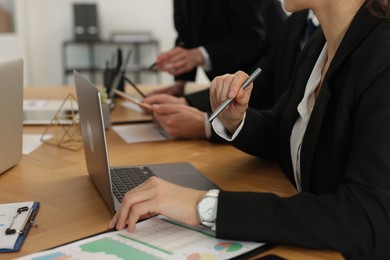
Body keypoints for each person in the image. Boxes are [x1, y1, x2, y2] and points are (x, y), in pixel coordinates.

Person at [110, 0, 390, 258]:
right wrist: (234, 120)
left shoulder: (382, 57)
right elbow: (282, 128)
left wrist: (204, 205)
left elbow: (367, 218)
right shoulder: (320, 44)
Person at [144, 10, 319, 139]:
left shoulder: (318, 35)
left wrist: (207, 126)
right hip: (246, 108)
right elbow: (262, 85)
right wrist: (185, 100)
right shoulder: (296, 22)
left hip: (251, 88)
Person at [148, 0, 286, 97]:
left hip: (263, 74)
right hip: (225, 82)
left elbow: (251, 37)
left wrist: (199, 55)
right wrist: (180, 84)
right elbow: (185, 33)